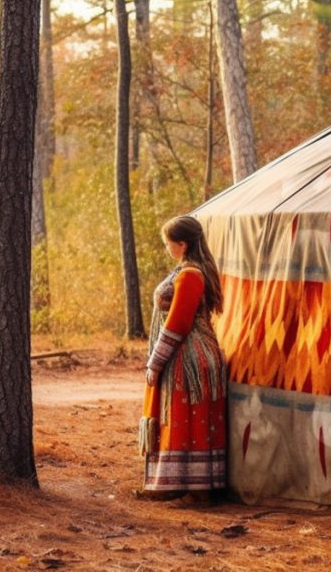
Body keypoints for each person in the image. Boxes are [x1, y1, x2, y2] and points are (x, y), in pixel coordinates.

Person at [137, 215, 227, 505]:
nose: (166, 248)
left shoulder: (191, 275)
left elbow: (177, 324)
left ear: (182, 244)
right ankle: (172, 485)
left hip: (190, 357)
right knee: (180, 419)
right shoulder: (190, 270)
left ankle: (196, 491)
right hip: (191, 354)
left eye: (168, 243)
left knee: (186, 420)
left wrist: (155, 362)